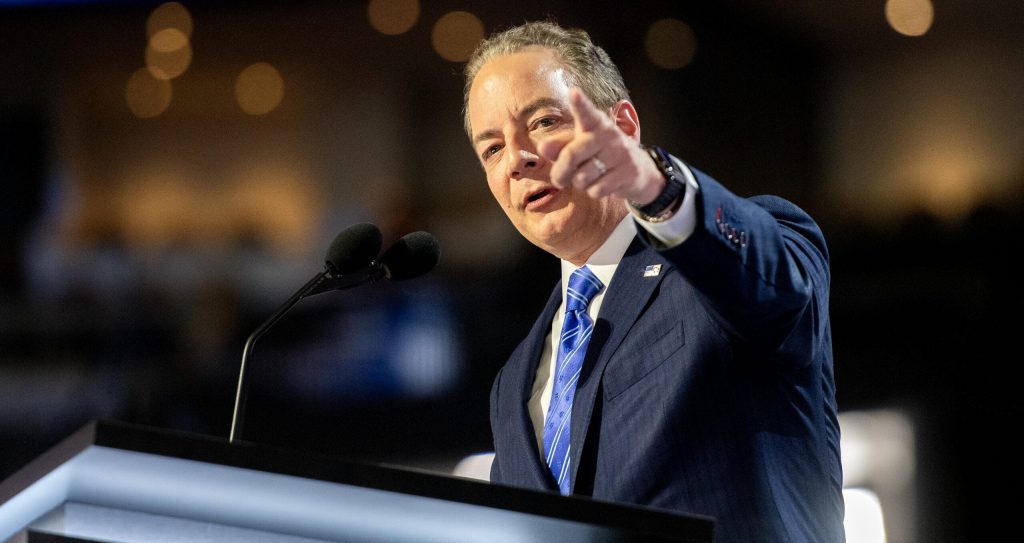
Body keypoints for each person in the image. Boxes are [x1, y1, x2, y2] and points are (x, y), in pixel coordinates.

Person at [462, 21, 844, 543]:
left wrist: (655, 186)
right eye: (492, 149)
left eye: (544, 121)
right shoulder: (512, 384)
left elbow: (776, 287)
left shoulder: (716, 271)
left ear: (622, 126)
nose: (518, 159)